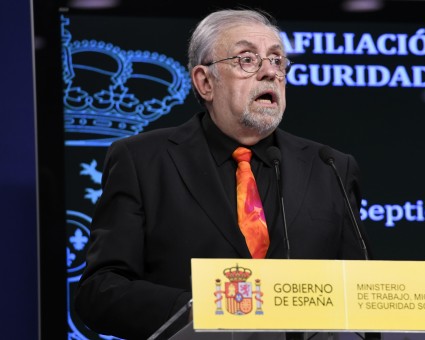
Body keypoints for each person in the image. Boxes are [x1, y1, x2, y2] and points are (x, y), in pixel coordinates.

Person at [74, 8, 375, 340]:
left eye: (277, 61)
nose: (269, 73)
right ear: (205, 82)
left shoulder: (330, 166)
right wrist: (201, 310)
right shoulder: (142, 160)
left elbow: (359, 292)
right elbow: (99, 291)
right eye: (247, 59)